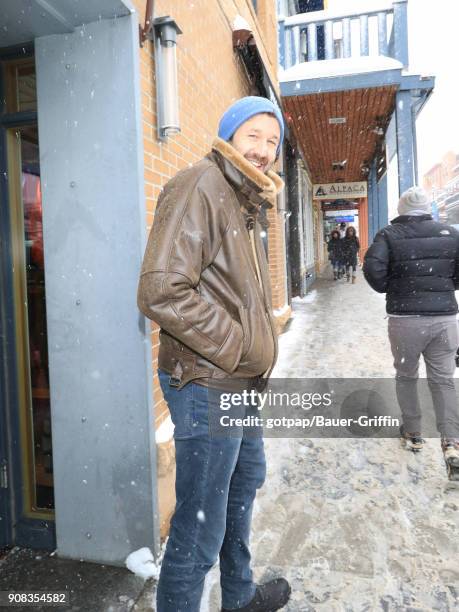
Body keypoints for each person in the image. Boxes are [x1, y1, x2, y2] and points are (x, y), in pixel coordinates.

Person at [137, 96, 291, 612]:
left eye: (273, 141)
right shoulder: (200, 185)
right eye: (253, 135)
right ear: (228, 135)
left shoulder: (243, 199)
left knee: (244, 483)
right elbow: (161, 289)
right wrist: (240, 346)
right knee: (201, 520)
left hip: (239, 384)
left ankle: (239, 597)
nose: (264, 149)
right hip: (207, 383)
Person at [363, 186, 459, 480]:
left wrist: (392, 288)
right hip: (445, 319)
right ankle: (452, 443)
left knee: (406, 375)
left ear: (401, 210)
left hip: (405, 320)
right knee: (443, 381)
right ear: (428, 208)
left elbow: (372, 269)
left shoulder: (388, 235)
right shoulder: (450, 234)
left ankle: (413, 432)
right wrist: (445, 285)